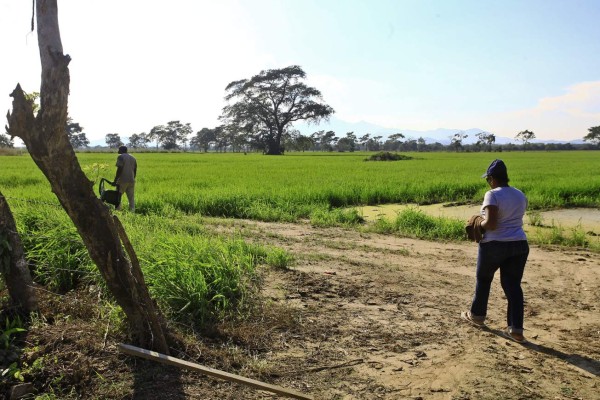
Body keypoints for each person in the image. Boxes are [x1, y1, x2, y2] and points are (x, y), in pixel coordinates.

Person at [461, 159, 530, 343]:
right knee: (513, 286)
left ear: (492, 178)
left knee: (484, 279)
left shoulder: (492, 195)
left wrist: (477, 224)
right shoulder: (519, 194)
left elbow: (491, 224)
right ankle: (516, 330)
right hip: (519, 244)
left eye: (488, 179)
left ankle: (477, 316)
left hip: (494, 245)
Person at [114, 145, 137, 212]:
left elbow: (119, 169)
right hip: (131, 180)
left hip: (122, 180)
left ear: (122, 150)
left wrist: (115, 180)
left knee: (118, 197)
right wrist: (133, 178)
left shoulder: (121, 157)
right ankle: (132, 211)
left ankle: (118, 211)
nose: (118, 151)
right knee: (131, 198)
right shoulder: (133, 158)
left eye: (119, 149)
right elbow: (135, 170)